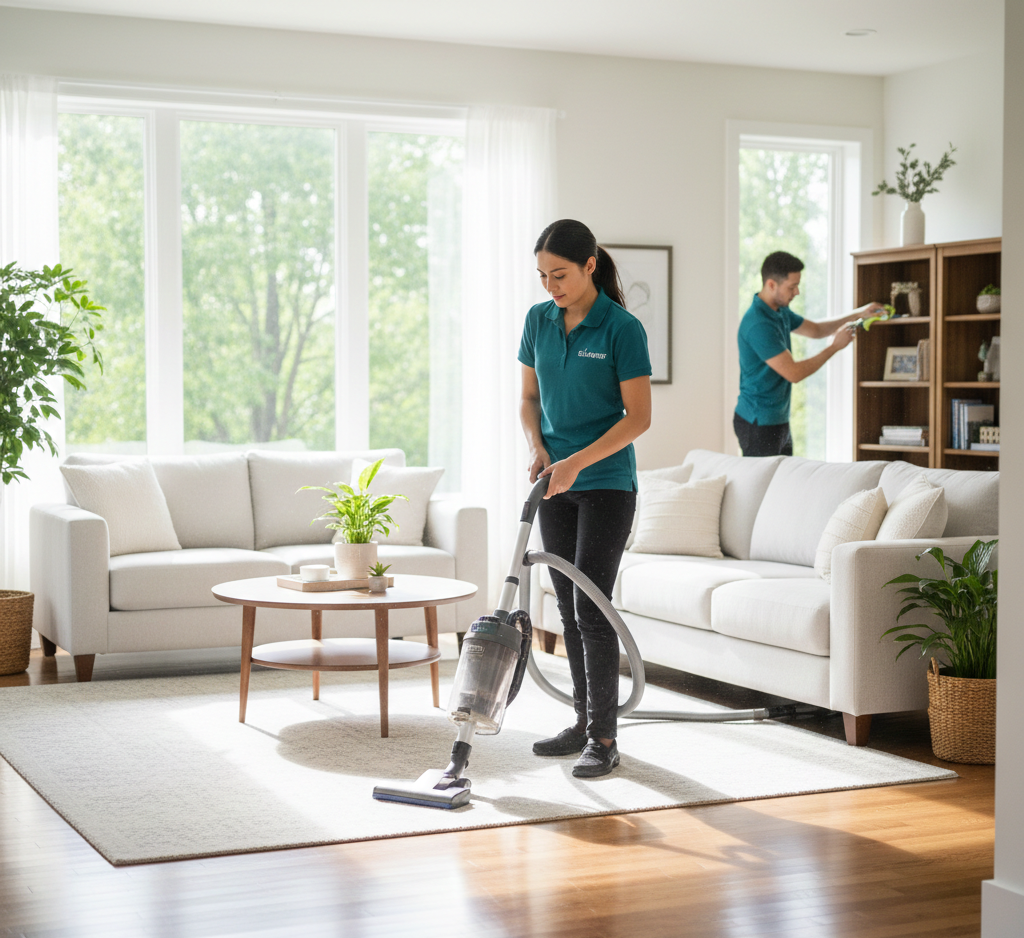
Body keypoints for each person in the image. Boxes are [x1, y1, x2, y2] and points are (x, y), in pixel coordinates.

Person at [518, 219, 652, 779]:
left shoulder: (622, 328)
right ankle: (581, 722)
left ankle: (604, 737)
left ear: (590, 265)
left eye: (561, 274)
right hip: (555, 481)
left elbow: (639, 419)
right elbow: (528, 397)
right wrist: (539, 446)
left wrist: (577, 462)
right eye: (544, 276)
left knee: (592, 609)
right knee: (567, 609)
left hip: (606, 484)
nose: (552, 286)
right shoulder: (538, 319)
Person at [735, 250, 884, 457]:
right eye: (792, 286)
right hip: (758, 422)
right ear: (771, 285)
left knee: (785, 484)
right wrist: (834, 347)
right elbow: (794, 373)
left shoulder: (779, 310)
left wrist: (859, 313)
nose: (797, 292)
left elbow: (816, 330)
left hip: (778, 418)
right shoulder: (759, 324)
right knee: (765, 488)